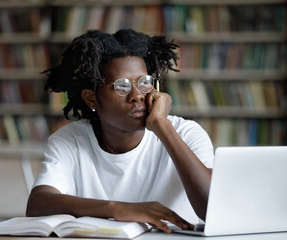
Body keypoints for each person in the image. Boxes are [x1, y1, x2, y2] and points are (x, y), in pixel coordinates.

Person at [26, 29, 214, 233]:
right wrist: (118, 209)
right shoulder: (70, 140)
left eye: (144, 82)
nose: (137, 95)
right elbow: (38, 204)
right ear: (91, 98)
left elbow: (212, 209)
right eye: (121, 87)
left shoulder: (187, 133)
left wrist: (162, 126)